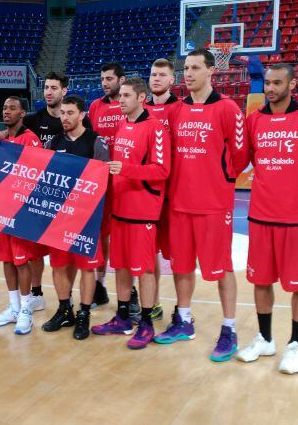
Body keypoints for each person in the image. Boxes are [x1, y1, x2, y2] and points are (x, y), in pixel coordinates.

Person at [236, 63, 298, 374]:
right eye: (267, 82)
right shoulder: (254, 120)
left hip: (296, 217)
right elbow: (245, 159)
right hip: (261, 214)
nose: (270, 88)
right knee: (260, 280)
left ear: (292, 85)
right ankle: (265, 339)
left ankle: (294, 345)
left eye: (277, 82)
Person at [154, 49, 249, 363]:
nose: (189, 74)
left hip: (213, 205)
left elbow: (239, 156)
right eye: (186, 68)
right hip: (179, 204)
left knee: (221, 269)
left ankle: (229, 328)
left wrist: (218, 181)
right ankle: (184, 320)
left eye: (195, 68)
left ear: (211, 71)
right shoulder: (176, 111)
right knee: (181, 266)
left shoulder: (227, 109)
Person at [0, 71, 96, 308]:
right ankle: (36, 293)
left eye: (54, 88)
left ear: (64, 91)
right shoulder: (34, 120)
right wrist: (0, 134)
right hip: (38, 194)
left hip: (71, 199)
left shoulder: (81, 123)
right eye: (45, 87)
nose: (48, 92)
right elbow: (16, 133)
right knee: (34, 250)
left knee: (68, 255)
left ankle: (77, 298)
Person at [91, 77, 171, 350]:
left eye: (126, 96)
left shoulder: (156, 128)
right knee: (121, 266)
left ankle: (146, 322)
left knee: (145, 269)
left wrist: (125, 170)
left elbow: (161, 170)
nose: (120, 100)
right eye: (120, 96)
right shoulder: (124, 126)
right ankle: (123, 316)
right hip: (120, 209)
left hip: (143, 211)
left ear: (141, 98)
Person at [41, 95, 110, 340]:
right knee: (59, 266)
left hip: (86, 217)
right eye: (62, 113)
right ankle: (64, 309)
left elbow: (104, 180)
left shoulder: (96, 141)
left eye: (70, 113)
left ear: (82, 115)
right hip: (58, 217)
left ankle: (84, 313)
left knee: (86, 269)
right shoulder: (54, 142)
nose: (65, 118)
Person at [0, 96, 44, 334]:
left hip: (21, 211)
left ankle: (25, 310)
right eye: (4, 107)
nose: (7, 111)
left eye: (12, 108)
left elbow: (36, 174)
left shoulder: (30, 139)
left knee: (22, 262)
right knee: (7, 260)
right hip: (1, 209)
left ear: (23, 113)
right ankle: (13, 307)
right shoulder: (1, 141)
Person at [88, 62, 136, 313]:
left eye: (109, 78)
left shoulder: (131, 106)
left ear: (121, 79)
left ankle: (133, 290)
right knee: (101, 236)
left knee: (127, 237)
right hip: (101, 181)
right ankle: (100, 285)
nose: (105, 83)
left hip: (128, 180)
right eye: (102, 79)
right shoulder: (95, 106)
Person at [143, 58, 182, 321]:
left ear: (172, 80)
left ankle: (182, 306)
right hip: (147, 195)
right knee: (148, 251)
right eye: (153, 74)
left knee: (178, 253)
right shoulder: (141, 111)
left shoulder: (181, 109)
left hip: (175, 194)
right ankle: (153, 302)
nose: (156, 78)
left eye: (161, 75)